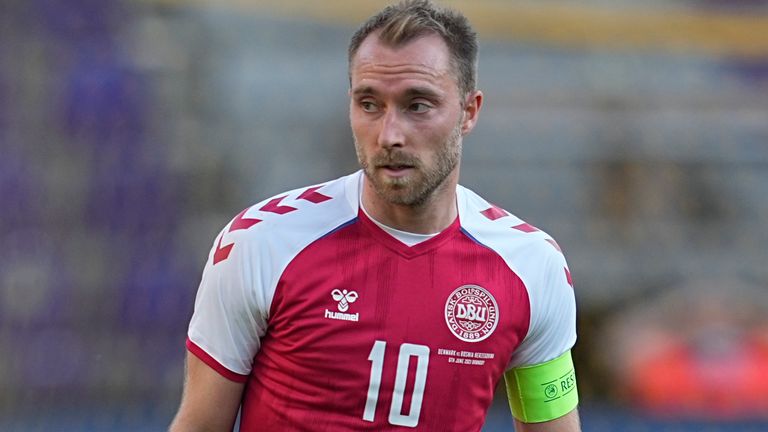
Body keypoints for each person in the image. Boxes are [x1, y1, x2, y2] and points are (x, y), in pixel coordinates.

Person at [170, 1, 580, 431]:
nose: (389, 135)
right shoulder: (261, 242)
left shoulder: (533, 266)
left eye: (417, 105)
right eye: (369, 104)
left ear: (469, 111)